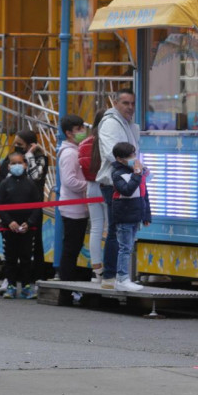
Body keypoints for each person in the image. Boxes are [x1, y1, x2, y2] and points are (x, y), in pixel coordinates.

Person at [97, 90, 140, 289]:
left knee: (122, 229)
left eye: (132, 103)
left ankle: (116, 276)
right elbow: (111, 153)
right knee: (117, 229)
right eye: (125, 103)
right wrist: (135, 167)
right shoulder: (111, 123)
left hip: (123, 179)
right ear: (115, 103)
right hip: (114, 181)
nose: (130, 107)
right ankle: (112, 276)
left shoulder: (126, 124)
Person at [0, 151, 42, 299]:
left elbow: (37, 206)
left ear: (25, 165)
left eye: (19, 163)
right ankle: (10, 285)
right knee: (9, 258)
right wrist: (10, 222)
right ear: (8, 166)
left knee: (26, 257)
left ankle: (27, 286)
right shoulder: (4, 184)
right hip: (9, 227)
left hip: (27, 228)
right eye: (13, 163)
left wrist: (29, 223)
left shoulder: (31, 184)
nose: (17, 166)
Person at [108, 141, 150, 293]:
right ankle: (122, 278)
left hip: (134, 215)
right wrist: (137, 174)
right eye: (130, 156)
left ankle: (124, 278)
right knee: (124, 248)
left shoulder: (132, 172)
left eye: (134, 154)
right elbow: (127, 190)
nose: (133, 158)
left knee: (128, 247)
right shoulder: (117, 173)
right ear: (120, 159)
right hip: (124, 216)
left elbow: (143, 194)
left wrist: (146, 215)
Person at [57, 115, 90, 282]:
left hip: (77, 207)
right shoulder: (70, 153)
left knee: (73, 247)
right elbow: (69, 180)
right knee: (71, 248)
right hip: (72, 208)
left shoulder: (75, 150)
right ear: (68, 133)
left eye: (82, 128)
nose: (82, 132)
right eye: (78, 129)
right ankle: (66, 282)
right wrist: (88, 185)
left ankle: (67, 281)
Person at [14, 129, 50, 279]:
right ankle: (18, 275)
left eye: (20, 144)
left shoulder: (41, 158)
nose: (16, 146)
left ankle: (36, 275)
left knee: (35, 242)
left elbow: (35, 177)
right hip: (17, 204)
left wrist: (29, 156)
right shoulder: (16, 158)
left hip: (34, 205)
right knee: (17, 242)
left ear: (30, 145)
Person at [79, 109, 107, 281]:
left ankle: (96, 269)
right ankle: (114, 268)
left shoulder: (85, 143)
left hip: (91, 187)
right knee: (112, 229)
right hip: (108, 186)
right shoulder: (110, 142)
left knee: (96, 228)